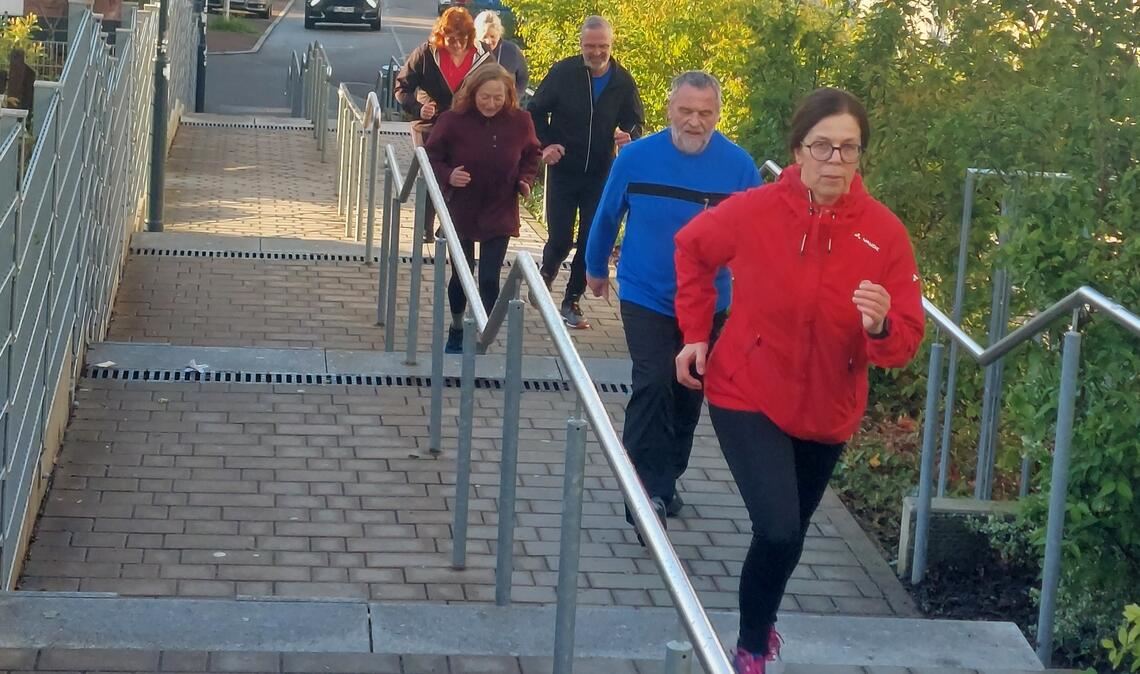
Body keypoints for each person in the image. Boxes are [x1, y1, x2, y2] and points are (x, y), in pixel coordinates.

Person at [672, 88, 925, 673]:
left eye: (849, 149)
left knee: (790, 532)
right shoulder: (755, 209)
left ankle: (762, 624)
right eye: (823, 146)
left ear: (861, 155)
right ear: (798, 150)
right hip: (746, 388)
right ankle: (751, 645)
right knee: (780, 528)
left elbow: (903, 345)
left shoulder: (883, 234)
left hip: (829, 408)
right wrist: (695, 333)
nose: (835, 160)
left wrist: (881, 325)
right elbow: (692, 250)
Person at [583, 71, 761, 538]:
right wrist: (595, 266)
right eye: (687, 111)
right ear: (669, 110)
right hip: (645, 292)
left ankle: (668, 477)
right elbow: (607, 214)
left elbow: (758, 240)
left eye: (706, 113)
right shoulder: (637, 157)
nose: (695, 121)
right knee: (653, 381)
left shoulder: (739, 168)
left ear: (719, 115)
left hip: (709, 302)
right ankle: (643, 491)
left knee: (688, 392)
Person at [526, 15, 644, 329]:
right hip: (564, 169)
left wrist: (628, 135)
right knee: (561, 238)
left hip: (601, 173)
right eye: (590, 46)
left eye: (602, 46)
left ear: (611, 45)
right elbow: (534, 111)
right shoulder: (564, 73)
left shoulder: (622, 81)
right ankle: (545, 275)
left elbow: (635, 121)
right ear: (581, 45)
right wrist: (547, 144)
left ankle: (572, 299)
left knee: (591, 237)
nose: (596, 52)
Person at [425, 65, 541, 354]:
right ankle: (456, 327)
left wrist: (525, 180)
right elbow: (431, 156)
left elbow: (532, 154)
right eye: (485, 97)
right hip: (462, 207)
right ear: (473, 93)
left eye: (497, 98)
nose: (491, 104)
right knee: (462, 275)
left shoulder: (520, 121)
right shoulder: (453, 120)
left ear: (509, 96)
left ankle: (482, 332)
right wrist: (448, 175)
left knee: (489, 278)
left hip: (499, 206)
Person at [395, 7, 492, 243]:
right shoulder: (426, 54)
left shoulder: (484, 55)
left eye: (462, 40)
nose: (457, 45)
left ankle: (448, 225)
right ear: (441, 36)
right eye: (451, 40)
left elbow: (496, 87)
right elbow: (401, 88)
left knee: (459, 175)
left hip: (467, 125)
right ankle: (425, 228)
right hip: (431, 126)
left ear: (470, 37)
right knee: (434, 174)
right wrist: (418, 108)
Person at [474, 10, 527, 95]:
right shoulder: (471, 52)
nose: (488, 41)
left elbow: (523, 78)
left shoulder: (512, 51)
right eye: (484, 37)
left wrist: (515, 98)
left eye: (492, 36)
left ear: (499, 34)